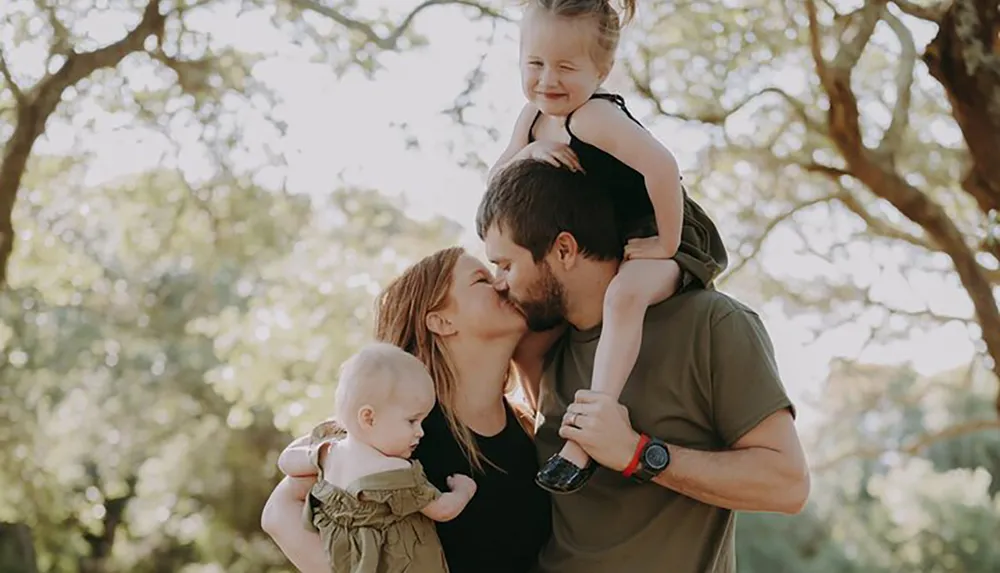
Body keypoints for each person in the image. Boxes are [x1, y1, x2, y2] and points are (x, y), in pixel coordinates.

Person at [476, 159, 810, 573]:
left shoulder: (709, 324)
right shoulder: (538, 343)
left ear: (564, 249)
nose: (499, 281)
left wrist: (638, 454)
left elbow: (788, 484)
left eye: (506, 264)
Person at [489, 0, 728, 493]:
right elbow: (496, 178)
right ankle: (534, 420)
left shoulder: (594, 117)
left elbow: (662, 169)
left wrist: (665, 242)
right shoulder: (533, 117)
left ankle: (586, 438)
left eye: (566, 67)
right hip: (612, 239)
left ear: (602, 70)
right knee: (532, 322)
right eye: (534, 64)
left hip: (665, 232)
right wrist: (529, 151)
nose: (547, 79)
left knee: (623, 296)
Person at [261, 247, 552, 573]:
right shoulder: (398, 431)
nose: (501, 284)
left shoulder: (529, 430)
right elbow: (278, 510)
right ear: (441, 321)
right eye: (482, 278)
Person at [277, 342, 477, 572]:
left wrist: (320, 446)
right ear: (369, 418)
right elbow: (443, 510)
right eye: (412, 421)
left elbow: (286, 461)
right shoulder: (394, 472)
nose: (421, 432)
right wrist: (463, 489)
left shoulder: (329, 455)